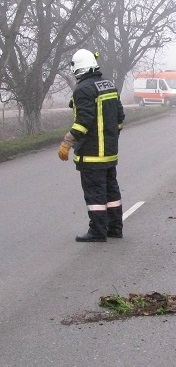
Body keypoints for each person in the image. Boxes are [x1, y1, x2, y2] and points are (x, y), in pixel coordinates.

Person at [58, 49, 125, 242]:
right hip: (110, 153)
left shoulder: (83, 89)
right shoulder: (109, 85)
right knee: (111, 191)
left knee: (95, 193)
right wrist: (112, 136)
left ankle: (97, 231)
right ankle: (115, 228)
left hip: (92, 153)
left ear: (77, 69)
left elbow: (83, 121)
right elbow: (119, 117)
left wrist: (67, 142)